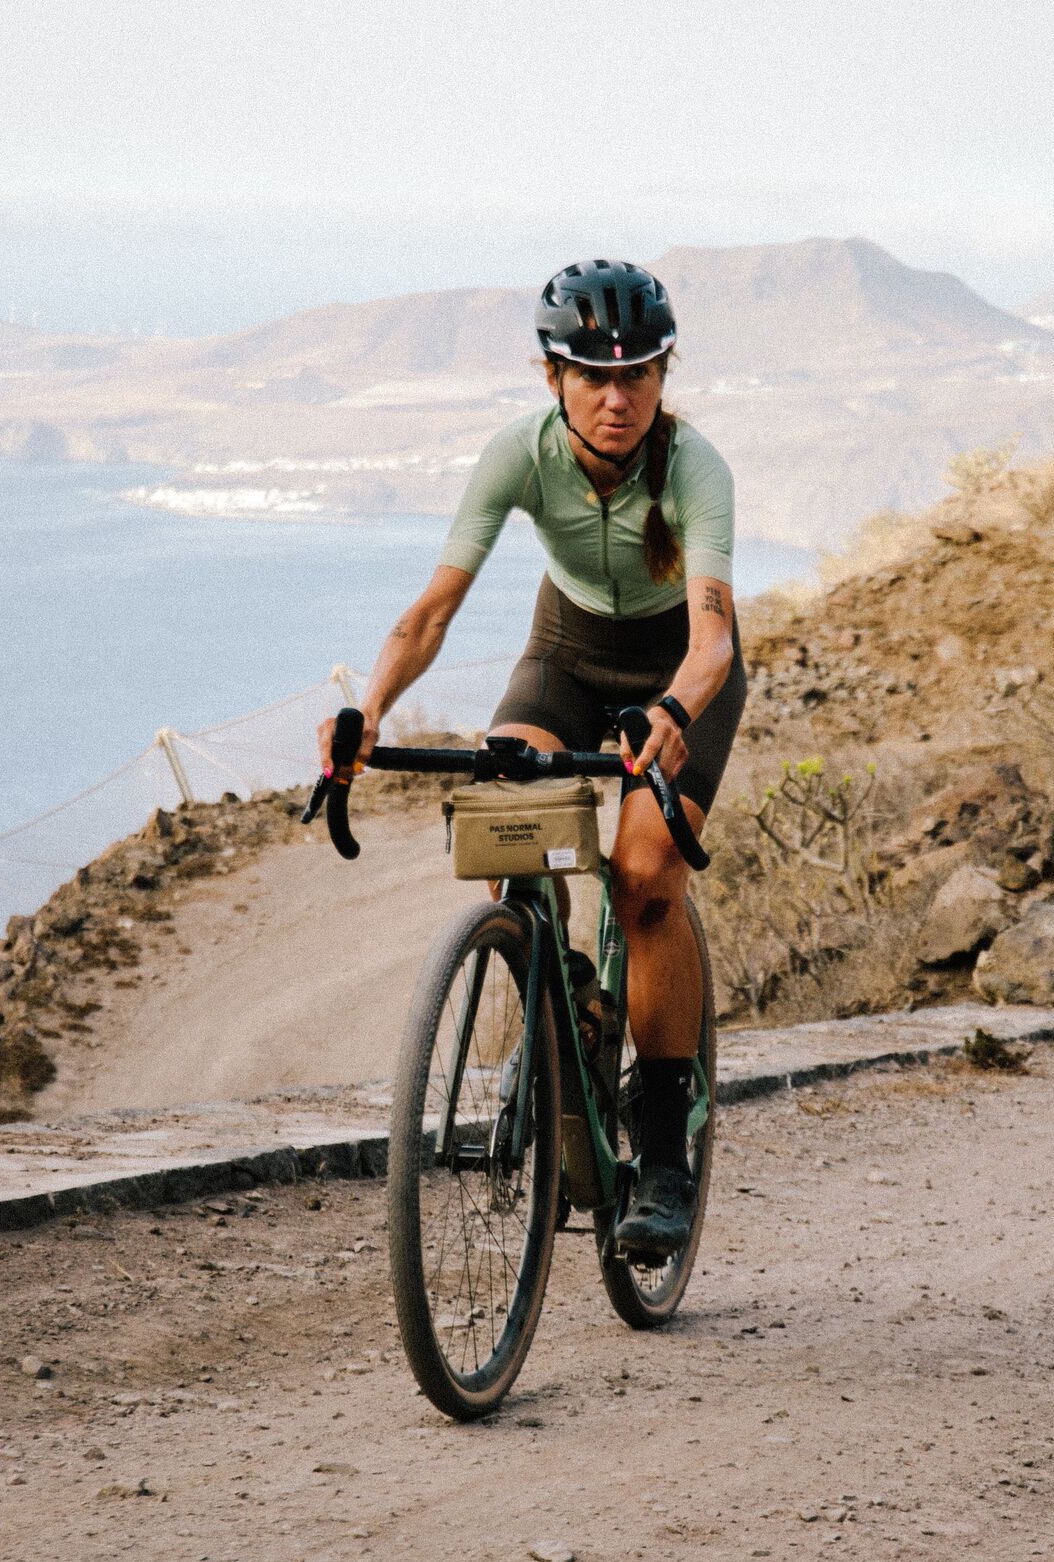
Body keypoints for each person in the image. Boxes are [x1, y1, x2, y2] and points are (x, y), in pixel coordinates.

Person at [318, 259, 742, 1257]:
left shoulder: (694, 468)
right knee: (507, 803)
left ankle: (665, 1148)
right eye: (592, 375)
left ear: (662, 375)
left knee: (642, 875)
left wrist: (673, 709)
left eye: (638, 372)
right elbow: (432, 609)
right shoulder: (518, 453)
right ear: (550, 377)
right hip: (565, 655)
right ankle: (575, 997)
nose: (616, 394)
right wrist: (368, 709)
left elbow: (714, 637)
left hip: (678, 672)